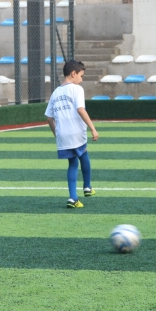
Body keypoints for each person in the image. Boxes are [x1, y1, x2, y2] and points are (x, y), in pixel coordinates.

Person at [45, 60, 99, 208]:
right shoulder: (77, 89)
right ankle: (87, 187)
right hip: (77, 132)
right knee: (84, 155)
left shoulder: (55, 92)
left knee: (73, 163)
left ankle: (72, 198)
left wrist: (57, 134)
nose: (81, 80)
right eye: (81, 76)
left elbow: (49, 118)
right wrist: (93, 128)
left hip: (62, 134)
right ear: (73, 74)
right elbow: (81, 109)